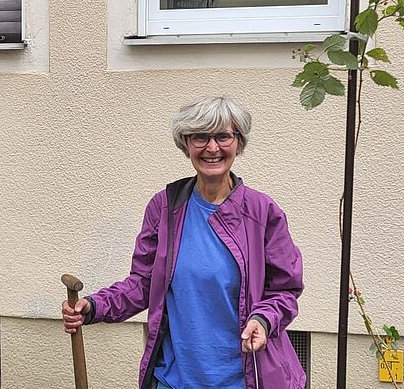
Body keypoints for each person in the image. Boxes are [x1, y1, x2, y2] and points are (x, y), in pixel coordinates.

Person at [61, 96, 305, 389]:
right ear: (185, 144)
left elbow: (285, 289)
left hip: (246, 379)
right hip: (175, 379)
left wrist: (264, 320)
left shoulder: (262, 212)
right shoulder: (165, 207)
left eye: (223, 136)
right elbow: (145, 282)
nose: (212, 148)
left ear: (238, 144)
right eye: (200, 137)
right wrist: (95, 306)